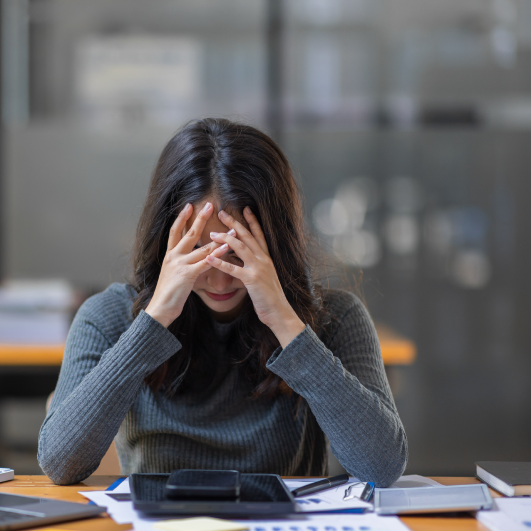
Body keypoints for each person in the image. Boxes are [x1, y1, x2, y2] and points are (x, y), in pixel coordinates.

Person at [38, 118, 407, 486]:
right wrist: (154, 321)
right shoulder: (111, 316)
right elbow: (59, 463)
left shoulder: (335, 318)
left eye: (237, 254)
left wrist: (285, 321)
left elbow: (382, 467)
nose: (219, 278)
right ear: (166, 240)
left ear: (275, 245)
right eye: (198, 253)